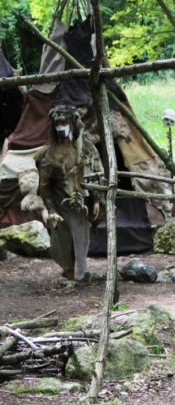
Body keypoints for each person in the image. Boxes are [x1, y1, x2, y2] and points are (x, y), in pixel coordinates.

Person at [37, 103, 103, 283]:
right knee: (64, 238)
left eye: (64, 123)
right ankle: (69, 268)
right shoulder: (50, 153)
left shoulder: (86, 148)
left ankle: (80, 272)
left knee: (82, 236)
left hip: (83, 201)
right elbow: (44, 185)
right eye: (57, 124)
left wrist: (96, 199)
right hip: (60, 201)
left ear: (73, 123)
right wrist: (51, 209)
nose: (60, 127)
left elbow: (96, 172)